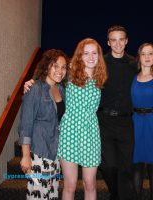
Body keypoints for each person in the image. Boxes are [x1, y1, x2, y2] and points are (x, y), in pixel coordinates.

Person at [57, 38, 107, 200]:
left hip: (91, 133)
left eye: (94, 53)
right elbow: (49, 78)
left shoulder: (100, 78)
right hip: (69, 132)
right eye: (86, 53)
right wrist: (31, 81)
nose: (91, 57)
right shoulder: (70, 73)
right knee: (70, 185)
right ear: (80, 56)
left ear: (99, 56)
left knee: (90, 184)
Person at [18, 49, 69, 200]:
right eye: (55, 66)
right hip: (38, 152)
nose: (60, 71)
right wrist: (25, 156)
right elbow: (25, 125)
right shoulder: (34, 88)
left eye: (64, 67)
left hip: (55, 152)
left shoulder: (61, 89)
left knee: (51, 194)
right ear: (46, 66)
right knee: (38, 195)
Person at [97, 25, 137, 200]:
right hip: (104, 120)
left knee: (126, 168)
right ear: (108, 42)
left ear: (126, 41)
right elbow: (77, 74)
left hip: (126, 122)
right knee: (108, 166)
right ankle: (116, 194)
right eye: (113, 40)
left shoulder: (134, 63)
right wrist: (35, 81)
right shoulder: (100, 63)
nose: (118, 43)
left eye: (121, 39)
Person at [131, 43, 153, 200]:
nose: (147, 57)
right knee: (137, 165)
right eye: (143, 54)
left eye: (150, 53)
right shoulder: (132, 77)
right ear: (139, 57)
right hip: (135, 123)